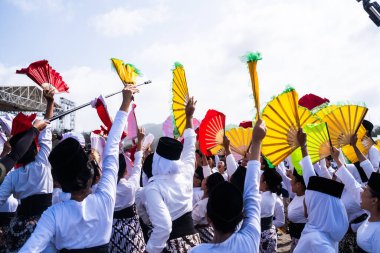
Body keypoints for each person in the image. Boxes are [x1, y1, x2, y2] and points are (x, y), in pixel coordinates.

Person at [18, 86, 137, 252]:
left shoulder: (53, 214)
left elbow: (30, 249)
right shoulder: (106, 198)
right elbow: (111, 148)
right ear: (91, 171)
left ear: (59, 181)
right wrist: (126, 102)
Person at [189, 118, 266, 253]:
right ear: (242, 213)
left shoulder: (195, 251)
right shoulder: (250, 240)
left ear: (208, 217)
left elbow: (251, 196)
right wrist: (257, 141)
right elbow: (252, 195)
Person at [144, 97, 201, 253]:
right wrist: (189, 117)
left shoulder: (153, 188)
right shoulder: (186, 172)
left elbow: (163, 227)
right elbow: (190, 146)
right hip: (195, 242)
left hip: (173, 246)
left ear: (157, 160)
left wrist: (149, 251)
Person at [0, 89, 54, 252]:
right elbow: (46, 128)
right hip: (45, 226)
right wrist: (50, 102)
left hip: (19, 228)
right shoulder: (43, 163)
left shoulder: (12, 176)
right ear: (35, 147)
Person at [294, 129, 348, 253]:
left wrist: (304, 146)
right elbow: (309, 177)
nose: (305, 206)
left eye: (309, 203)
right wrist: (303, 147)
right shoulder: (324, 231)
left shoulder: (316, 242)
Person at [109, 128, 146, 253]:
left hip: (111, 232)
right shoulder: (130, 186)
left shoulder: (102, 189)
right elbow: (137, 166)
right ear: (125, 170)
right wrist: (140, 142)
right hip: (132, 233)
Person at [192, 172, 225, 243]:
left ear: (207, 186)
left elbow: (192, 221)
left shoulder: (203, 204)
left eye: (205, 179)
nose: (203, 180)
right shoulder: (217, 200)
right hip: (214, 234)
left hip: (204, 236)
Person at [259, 165, 283, 253]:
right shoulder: (273, 195)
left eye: (260, 180)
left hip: (261, 235)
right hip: (270, 233)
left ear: (265, 183)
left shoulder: (260, 199)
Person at [287, 169, 307, 252]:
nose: (290, 182)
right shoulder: (296, 194)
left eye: (292, 180)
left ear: (298, 185)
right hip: (294, 235)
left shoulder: (307, 199)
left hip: (302, 237)